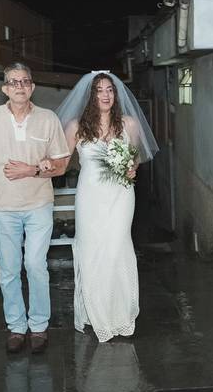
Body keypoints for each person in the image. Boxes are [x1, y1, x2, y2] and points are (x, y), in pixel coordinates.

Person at [47, 71, 158, 342]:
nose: (105, 95)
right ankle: (95, 312)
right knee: (93, 250)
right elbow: (60, 162)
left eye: (110, 90)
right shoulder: (75, 126)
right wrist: (37, 167)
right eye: (99, 90)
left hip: (121, 195)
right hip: (90, 197)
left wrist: (132, 168)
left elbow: (135, 158)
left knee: (118, 247)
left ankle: (120, 311)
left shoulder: (129, 124)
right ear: (90, 96)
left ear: (116, 95)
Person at [0, 62, 70, 354]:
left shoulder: (48, 119)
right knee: (9, 270)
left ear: (32, 87)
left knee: (36, 265)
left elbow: (61, 165)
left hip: (39, 204)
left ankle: (38, 326)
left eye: (25, 81)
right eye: (13, 82)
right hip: (3, 207)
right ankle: (16, 327)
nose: (19, 86)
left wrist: (33, 170)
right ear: (5, 89)